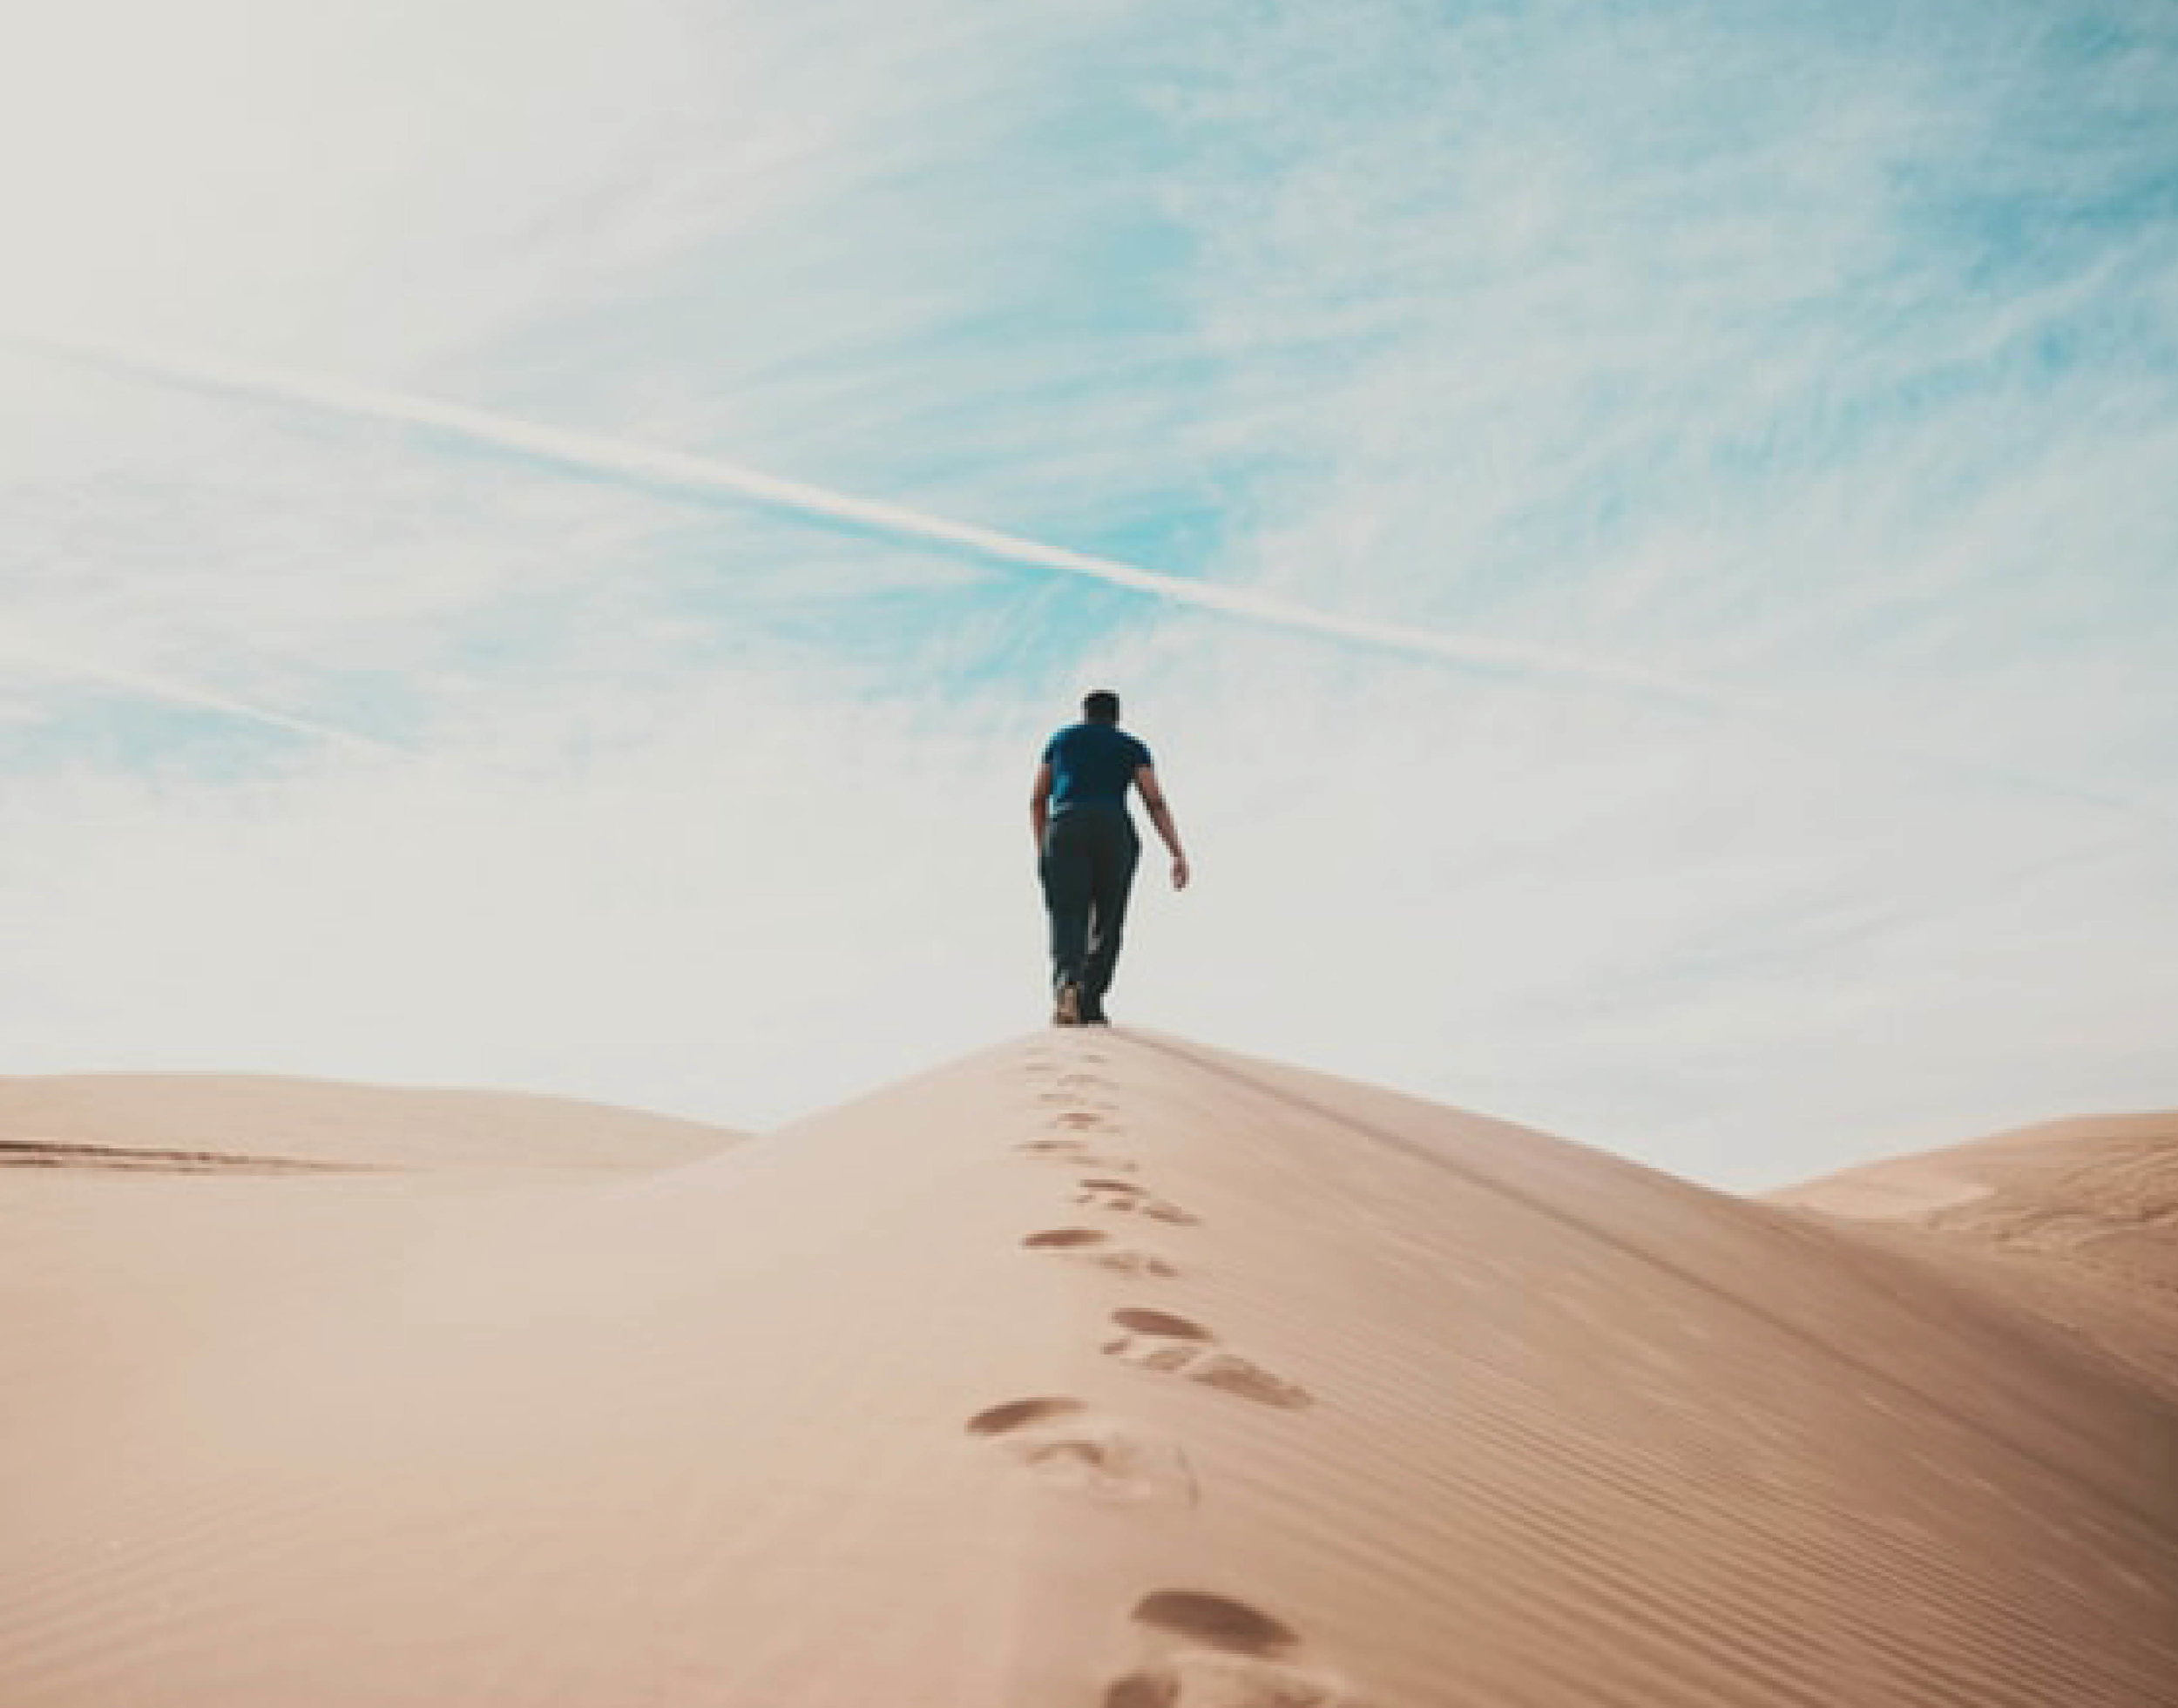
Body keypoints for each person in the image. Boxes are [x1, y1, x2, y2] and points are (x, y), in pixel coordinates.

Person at [1031, 690, 1189, 1026]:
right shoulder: (1132, 747)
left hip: (1065, 826)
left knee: (1068, 914)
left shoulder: (1060, 740)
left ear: (1085, 713)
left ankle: (1067, 984)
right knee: (1108, 919)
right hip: (1112, 829)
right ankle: (1090, 1000)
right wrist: (1176, 851)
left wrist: (1043, 845)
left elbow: (1037, 797)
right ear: (1116, 717)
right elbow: (1154, 800)